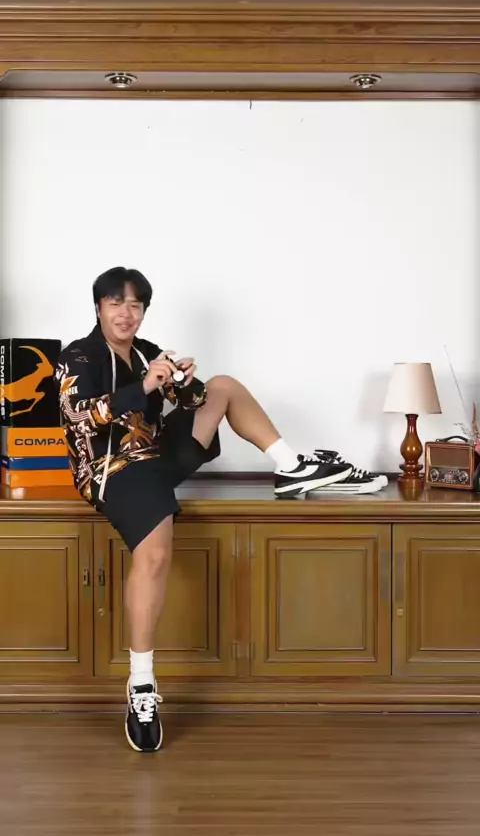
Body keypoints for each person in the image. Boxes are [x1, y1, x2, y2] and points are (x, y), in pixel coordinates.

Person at [55, 267, 356, 753]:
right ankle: (141, 684)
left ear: (143, 311)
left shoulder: (148, 352)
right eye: (116, 303)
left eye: (135, 305)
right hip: (112, 468)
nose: (126, 313)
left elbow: (189, 402)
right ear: (99, 308)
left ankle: (292, 466)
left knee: (223, 385)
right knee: (155, 556)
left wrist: (186, 383)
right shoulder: (78, 355)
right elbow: (78, 417)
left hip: (155, 457)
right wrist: (145, 387)